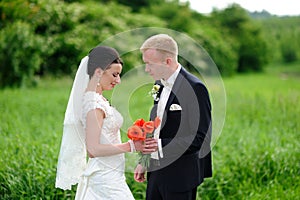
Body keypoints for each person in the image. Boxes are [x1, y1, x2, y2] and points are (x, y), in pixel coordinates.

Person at [55, 46, 144, 200]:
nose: (118, 80)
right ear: (98, 72)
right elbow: (93, 149)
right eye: (115, 74)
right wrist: (130, 146)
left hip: (112, 174)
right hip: (105, 178)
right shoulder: (93, 104)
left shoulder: (97, 99)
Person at [134, 34, 212, 200]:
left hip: (181, 175)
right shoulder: (159, 84)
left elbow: (200, 138)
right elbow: (155, 125)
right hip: (155, 171)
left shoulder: (195, 88)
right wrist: (144, 160)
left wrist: (160, 145)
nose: (146, 69)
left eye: (149, 64)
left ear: (167, 61)